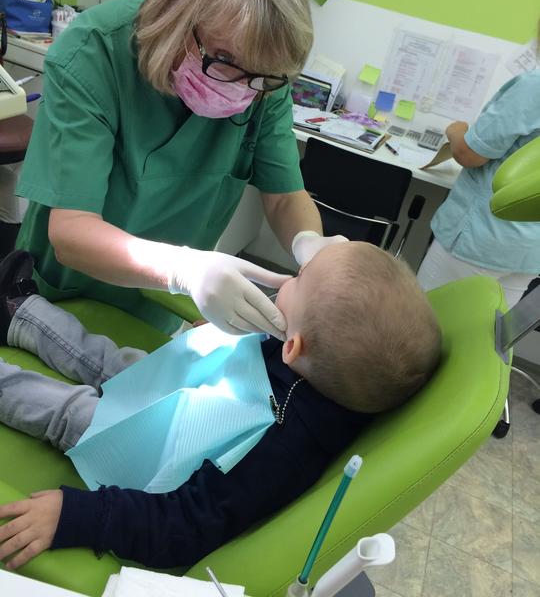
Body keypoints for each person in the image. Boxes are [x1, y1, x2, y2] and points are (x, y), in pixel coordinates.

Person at [0, 242, 441, 569]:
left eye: (299, 278)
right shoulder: (326, 369)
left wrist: (81, 516)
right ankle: (18, 310)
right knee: (114, 362)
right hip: (192, 399)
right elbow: (273, 359)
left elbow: (186, 525)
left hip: (154, 456)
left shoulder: (279, 454)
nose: (288, 279)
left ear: (293, 346)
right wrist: (216, 337)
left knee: (72, 411)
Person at [14, 0, 343, 340]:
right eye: (224, 60)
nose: (241, 88)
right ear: (178, 18)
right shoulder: (93, 54)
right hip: (62, 297)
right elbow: (72, 231)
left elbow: (283, 196)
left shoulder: (263, 79)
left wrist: (310, 246)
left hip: (159, 307)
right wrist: (185, 270)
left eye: (259, 77)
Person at [417, 67, 540, 308]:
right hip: (528, 251)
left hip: (483, 237)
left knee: (420, 318)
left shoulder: (534, 85)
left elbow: (470, 154)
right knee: (483, 325)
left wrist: (457, 131)